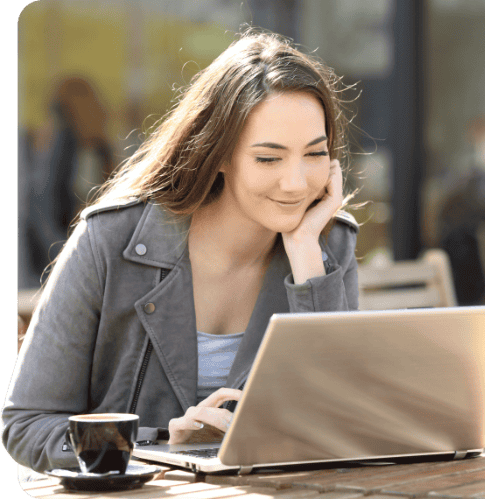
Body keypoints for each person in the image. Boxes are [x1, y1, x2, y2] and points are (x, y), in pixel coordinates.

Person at [3, 30, 359, 474]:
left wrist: (309, 261)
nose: (297, 183)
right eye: (269, 159)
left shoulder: (328, 243)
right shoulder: (110, 239)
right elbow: (28, 423)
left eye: (314, 154)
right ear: (220, 154)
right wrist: (164, 446)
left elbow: (339, 425)